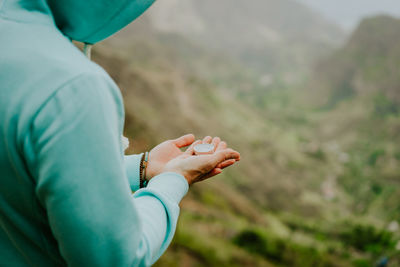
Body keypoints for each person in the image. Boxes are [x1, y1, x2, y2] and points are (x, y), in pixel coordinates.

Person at [0, 0, 240, 266]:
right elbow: (116, 258)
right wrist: (175, 179)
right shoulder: (73, 88)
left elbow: (18, 166)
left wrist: (142, 167)